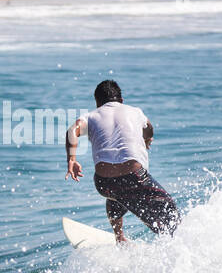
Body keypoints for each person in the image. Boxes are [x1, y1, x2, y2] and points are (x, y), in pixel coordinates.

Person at [65, 79, 179, 242]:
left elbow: (71, 131)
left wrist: (72, 159)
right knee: (170, 212)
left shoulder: (90, 116)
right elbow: (149, 127)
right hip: (135, 178)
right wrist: (147, 139)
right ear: (121, 100)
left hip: (104, 184)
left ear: (98, 102)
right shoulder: (135, 111)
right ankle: (172, 244)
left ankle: (120, 238)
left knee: (116, 194)